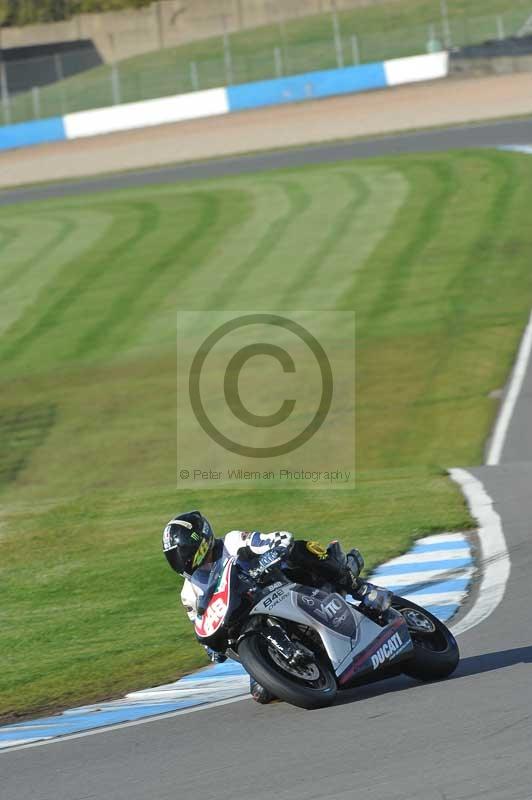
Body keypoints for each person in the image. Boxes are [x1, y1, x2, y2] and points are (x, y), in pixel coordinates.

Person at [162, 510, 392, 704]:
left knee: (301, 550)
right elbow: (201, 624)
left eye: (183, 553)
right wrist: (212, 648)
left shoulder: (232, 542)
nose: (182, 560)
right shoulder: (188, 593)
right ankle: (282, 658)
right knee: (262, 693)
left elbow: (277, 539)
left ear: (200, 541)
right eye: (175, 557)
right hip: (248, 618)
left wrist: (270, 553)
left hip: (283, 583)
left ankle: (360, 589)